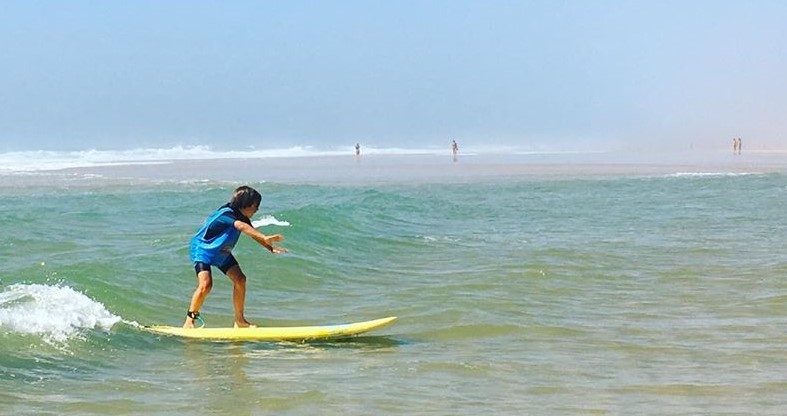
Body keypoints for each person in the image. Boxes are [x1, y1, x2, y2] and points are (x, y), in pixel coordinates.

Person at [184, 186, 286, 328]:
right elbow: (242, 227)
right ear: (247, 204)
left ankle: (240, 321)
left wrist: (270, 247)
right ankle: (189, 320)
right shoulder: (226, 214)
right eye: (256, 206)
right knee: (205, 285)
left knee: (240, 279)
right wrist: (265, 237)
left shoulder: (242, 216)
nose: (257, 210)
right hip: (203, 250)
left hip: (221, 252)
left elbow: (252, 232)